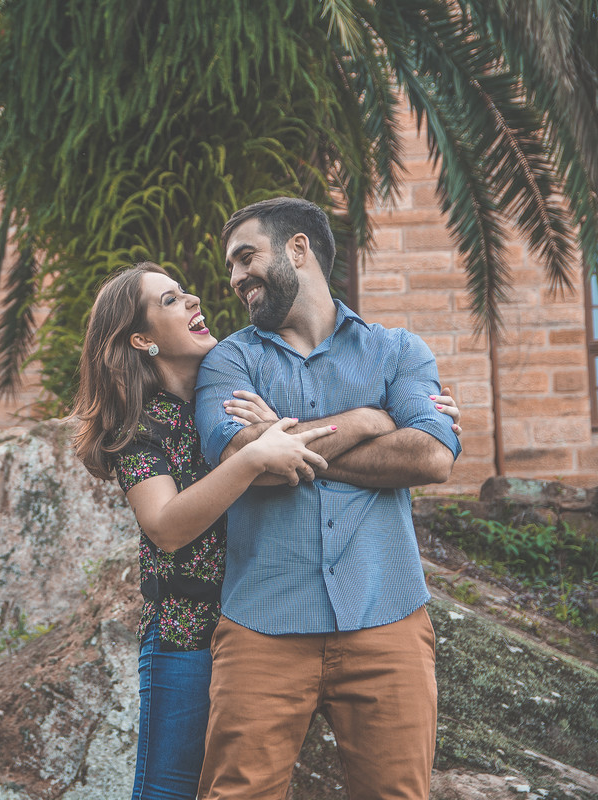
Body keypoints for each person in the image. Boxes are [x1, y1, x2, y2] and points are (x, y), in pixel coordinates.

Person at [69, 262, 459, 800]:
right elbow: (165, 527)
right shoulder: (140, 427)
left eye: (184, 292)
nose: (192, 300)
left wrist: (398, 420)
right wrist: (359, 424)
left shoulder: (238, 387)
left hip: (264, 618)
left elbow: (312, 442)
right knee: (170, 791)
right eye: (169, 301)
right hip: (188, 633)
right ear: (141, 339)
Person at [193, 197, 462, 800]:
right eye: (231, 266)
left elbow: (432, 458)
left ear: (297, 249)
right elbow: (242, 463)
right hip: (262, 626)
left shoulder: (399, 350)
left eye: (245, 257)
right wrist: (371, 419)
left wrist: (284, 441)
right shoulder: (227, 360)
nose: (234, 279)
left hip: (387, 618)